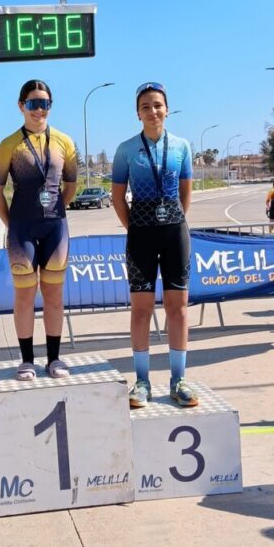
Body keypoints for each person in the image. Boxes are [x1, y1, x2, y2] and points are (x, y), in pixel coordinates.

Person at [111, 81, 198, 408]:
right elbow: (118, 197)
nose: (153, 111)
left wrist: (175, 220)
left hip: (175, 232)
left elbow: (186, 190)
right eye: (146, 106)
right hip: (141, 236)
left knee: (178, 308)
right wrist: (134, 227)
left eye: (158, 105)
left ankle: (179, 379)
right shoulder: (126, 150)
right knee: (142, 309)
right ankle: (142, 381)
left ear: (167, 109)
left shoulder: (182, 146)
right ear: (138, 113)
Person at [0, 79, 77, 379]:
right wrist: (11, 223)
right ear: (21, 106)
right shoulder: (8, 145)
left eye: (44, 104)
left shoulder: (65, 142)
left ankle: (54, 359)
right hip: (21, 229)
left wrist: (56, 212)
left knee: (54, 297)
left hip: (56, 228)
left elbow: (71, 185)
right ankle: (26, 359)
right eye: (32, 104)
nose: (39, 109)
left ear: (50, 106)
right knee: (25, 297)